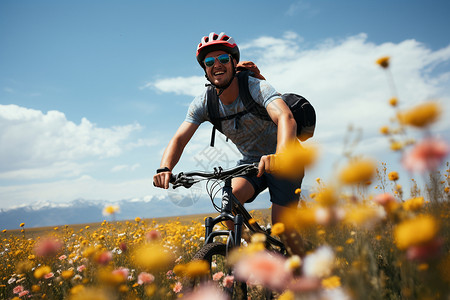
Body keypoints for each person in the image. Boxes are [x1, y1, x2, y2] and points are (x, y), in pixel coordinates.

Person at [153, 32, 307, 256]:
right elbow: (179, 138)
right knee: (227, 202)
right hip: (251, 163)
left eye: (223, 59)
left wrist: (281, 155)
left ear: (234, 63)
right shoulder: (204, 103)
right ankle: (257, 253)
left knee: (284, 227)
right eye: (209, 62)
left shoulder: (256, 88)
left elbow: (286, 118)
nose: (217, 65)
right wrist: (165, 168)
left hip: (286, 159)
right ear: (205, 70)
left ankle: (308, 275)